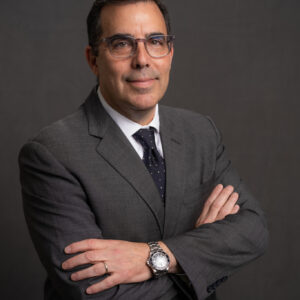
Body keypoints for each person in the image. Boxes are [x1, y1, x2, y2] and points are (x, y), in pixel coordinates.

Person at [19, 0, 268, 299]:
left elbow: (253, 230)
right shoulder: (52, 153)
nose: (142, 60)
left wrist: (154, 256)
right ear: (93, 59)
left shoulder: (201, 132)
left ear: (170, 52)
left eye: (155, 41)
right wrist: (199, 263)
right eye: (122, 44)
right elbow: (93, 294)